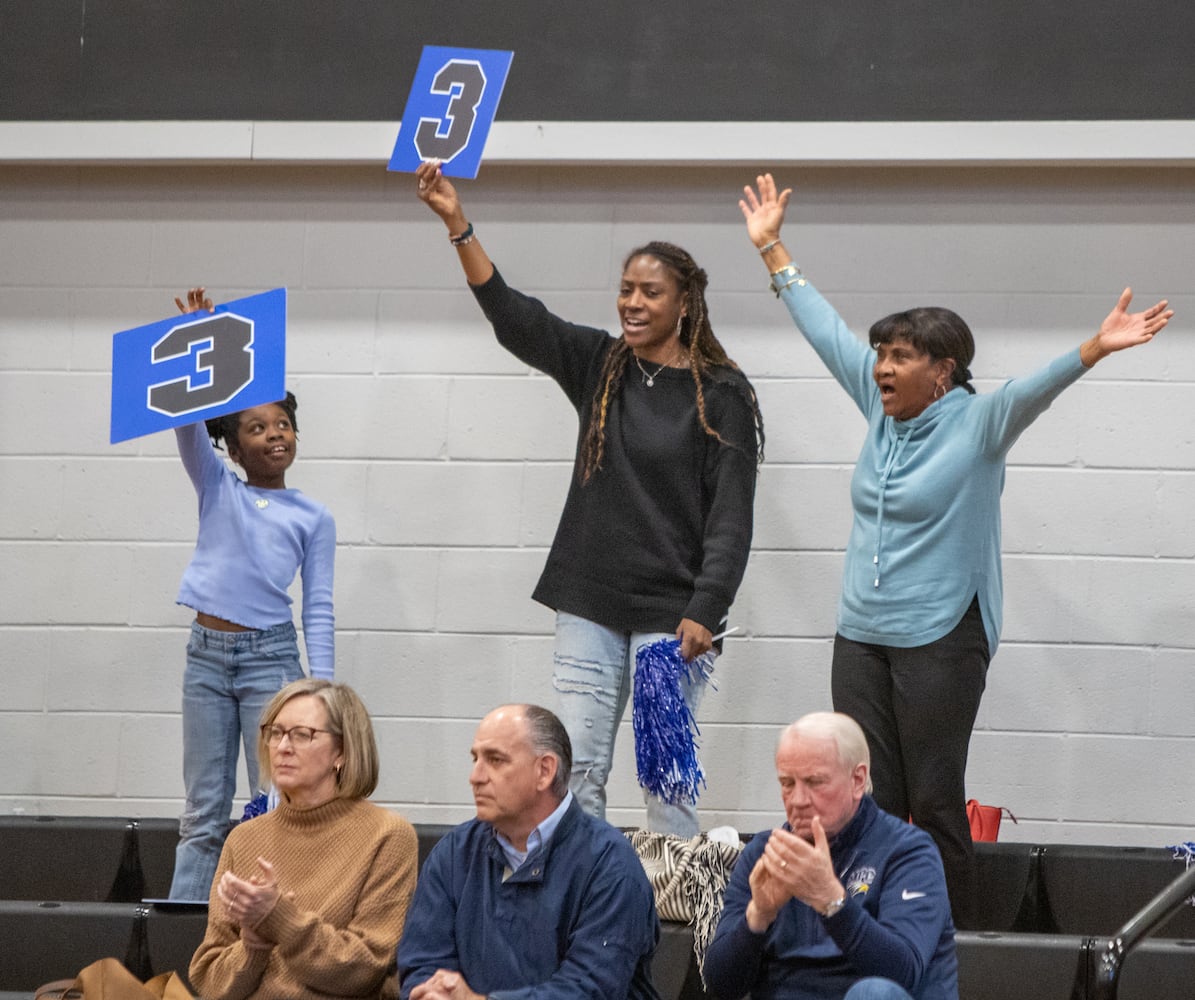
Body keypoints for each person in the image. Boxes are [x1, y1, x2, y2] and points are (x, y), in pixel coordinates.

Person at [738, 174, 1173, 928]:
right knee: (865, 803)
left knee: (934, 801)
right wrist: (774, 249)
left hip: (941, 635)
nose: (880, 367)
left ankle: (944, 945)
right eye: (880, 355)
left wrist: (1093, 348)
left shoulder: (978, 423)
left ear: (942, 371)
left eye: (899, 356)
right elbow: (824, 329)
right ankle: (864, 933)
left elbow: (1034, 388)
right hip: (861, 635)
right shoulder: (878, 409)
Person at [414, 159, 764, 836]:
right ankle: (581, 904)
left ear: (683, 304)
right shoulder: (603, 366)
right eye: (626, 289)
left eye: (649, 293)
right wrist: (457, 223)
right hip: (589, 600)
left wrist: (707, 606)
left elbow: (731, 516)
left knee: (666, 779)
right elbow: (518, 319)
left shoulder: (721, 393)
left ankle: (670, 921)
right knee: (576, 772)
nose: (632, 303)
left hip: (674, 613)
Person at [168, 286, 337, 900]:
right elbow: (187, 427)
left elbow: (318, 605)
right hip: (207, 658)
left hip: (272, 660)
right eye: (257, 426)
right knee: (204, 810)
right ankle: (184, 942)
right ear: (232, 446)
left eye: (283, 424)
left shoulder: (313, 516)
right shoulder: (217, 486)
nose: (274, 434)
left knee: (271, 805)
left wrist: (324, 687)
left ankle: (267, 930)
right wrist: (202, 347)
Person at [396, 703, 660, 1000]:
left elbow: (589, 989)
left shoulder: (611, 865)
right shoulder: (454, 853)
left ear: (544, 771)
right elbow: (421, 962)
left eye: (495, 760)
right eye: (475, 759)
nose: (475, 776)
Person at [190, 678, 418, 1000]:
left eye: (302, 735)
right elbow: (211, 982)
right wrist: (252, 947)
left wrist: (281, 918)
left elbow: (364, 969)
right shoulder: (244, 839)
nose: (282, 747)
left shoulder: (388, 835)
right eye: (276, 733)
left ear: (342, 751)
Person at [704, 712, 958, 1000]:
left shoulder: (909, 852)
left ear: (858, 780)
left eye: (814, 782)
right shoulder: (765, 853)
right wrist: (758, 917)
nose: (798, 800)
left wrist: (831, 901)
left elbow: (903, 974)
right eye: (787, 783)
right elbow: (720, 986)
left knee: (873, 994)